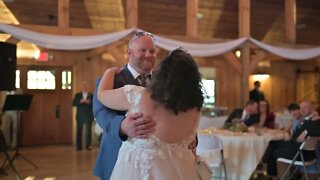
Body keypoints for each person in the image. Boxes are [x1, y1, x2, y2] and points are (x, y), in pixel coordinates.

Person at [97, 48, 204, 180]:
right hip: (182, 171)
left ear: (163, 74)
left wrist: (109, 72)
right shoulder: (195, 109)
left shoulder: (139, 96)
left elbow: (102, 94)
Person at [93, 31, 158, 180]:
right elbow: (100, 112)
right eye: (143, 50)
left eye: (152, 51)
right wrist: (122, 126)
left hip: (156, 159)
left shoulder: (163, 81)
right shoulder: (110, 79)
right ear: (129, 52)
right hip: (118, 155)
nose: (148, 54)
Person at [265, 101, 320, 179]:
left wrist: (306, 132)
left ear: (311, 109)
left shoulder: (315, 119)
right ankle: (270, 171)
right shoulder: (308, 119)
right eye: (301, 108)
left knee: (275, 152)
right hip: (295, 146)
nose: (302, 110)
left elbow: (318, 129)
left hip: (301, 154)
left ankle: (272, 174)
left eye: (305, 107)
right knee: (273, 142)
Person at [72, 81, 94, 151]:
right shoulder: (77, 95)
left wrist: (89, 102)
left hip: (88, 116)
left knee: (88, 132)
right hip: (80, 116)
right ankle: (79, 146)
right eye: (83, 86)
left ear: (87, 87)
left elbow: (94, 105)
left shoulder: (91, 95)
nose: (84, 87)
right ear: (81, 87)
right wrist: (80, 101)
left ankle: (88, 145)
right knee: (79, 131)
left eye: (85, 86)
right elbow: (73, 104)